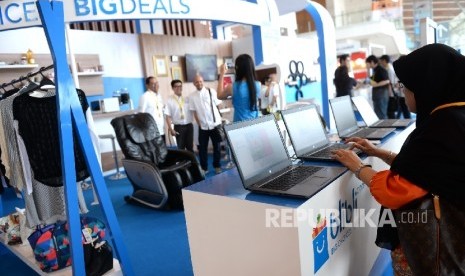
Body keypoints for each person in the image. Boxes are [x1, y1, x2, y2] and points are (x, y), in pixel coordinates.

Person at [332, 43, 465, 274]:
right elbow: (427, 172)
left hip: (434, 253)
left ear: (426, 86)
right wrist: (378, 152)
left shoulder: (442, 129)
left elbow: (396, 191)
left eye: (405, 86)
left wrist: (358, 166)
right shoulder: (453, 117)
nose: (402, 93)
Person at [189, 74, 223, 174]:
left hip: (215, 124)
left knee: (217, 147)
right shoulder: (192, 96)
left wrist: (220, 118)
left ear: (203, 81)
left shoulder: (211, 91)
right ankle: (204, 168)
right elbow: (194, 111)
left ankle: (217, 166)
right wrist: (199, 124)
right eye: (197, 82)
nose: (199, 83)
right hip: (202, 126)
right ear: (194, 83)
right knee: (202, 148)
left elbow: (219, 104)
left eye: (200, 81)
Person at [217, 53, 260, 122]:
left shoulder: (232, 87)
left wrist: (222, 73)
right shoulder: (258, 85)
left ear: (237, 68)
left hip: (239, 125)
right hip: (254, 123)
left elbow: (219, 95)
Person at [165, 79, 193, 152]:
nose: (179, 88)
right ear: (173, 88)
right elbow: (167, 116)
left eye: (180, 86)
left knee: (190, 147)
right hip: (179, 127)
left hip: (189, 126)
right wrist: (171, 129)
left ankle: (192, 163)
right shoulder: (169, 100)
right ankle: (183, 163)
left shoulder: (187, 99)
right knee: (181, 149)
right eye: (176, 86)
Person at [139, 76, 165, 142]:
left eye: (156, 83)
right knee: (155, 151)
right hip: (151, 131)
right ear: (147, 85)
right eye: (153, 83)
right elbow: (141, 114)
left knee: (163, 150)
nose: (156, 85)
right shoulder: (145, 96)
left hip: (161, 129)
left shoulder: (158, 96)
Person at [365, 55, 390, 119]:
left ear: (372, 62)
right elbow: (370, 80)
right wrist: (367, 69)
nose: (367, 65)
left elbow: (387, 81)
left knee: (382, 114)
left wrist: (376, 85)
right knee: (378, 114)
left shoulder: (381, 69)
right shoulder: (375, 70)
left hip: (381, 94)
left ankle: (385, 128)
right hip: (377, 95)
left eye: (367, 64)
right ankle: (382, 128)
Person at [379, 54, 399, 119]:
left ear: (384, 60)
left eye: (381, 61)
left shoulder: (389, 69)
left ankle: (393, 124)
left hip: (391, 92)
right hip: (392, 92)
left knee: (391, 111)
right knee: (392, 111)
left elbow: (390, 82)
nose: (381, 63)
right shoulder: (389, 68)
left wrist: (390, 94)